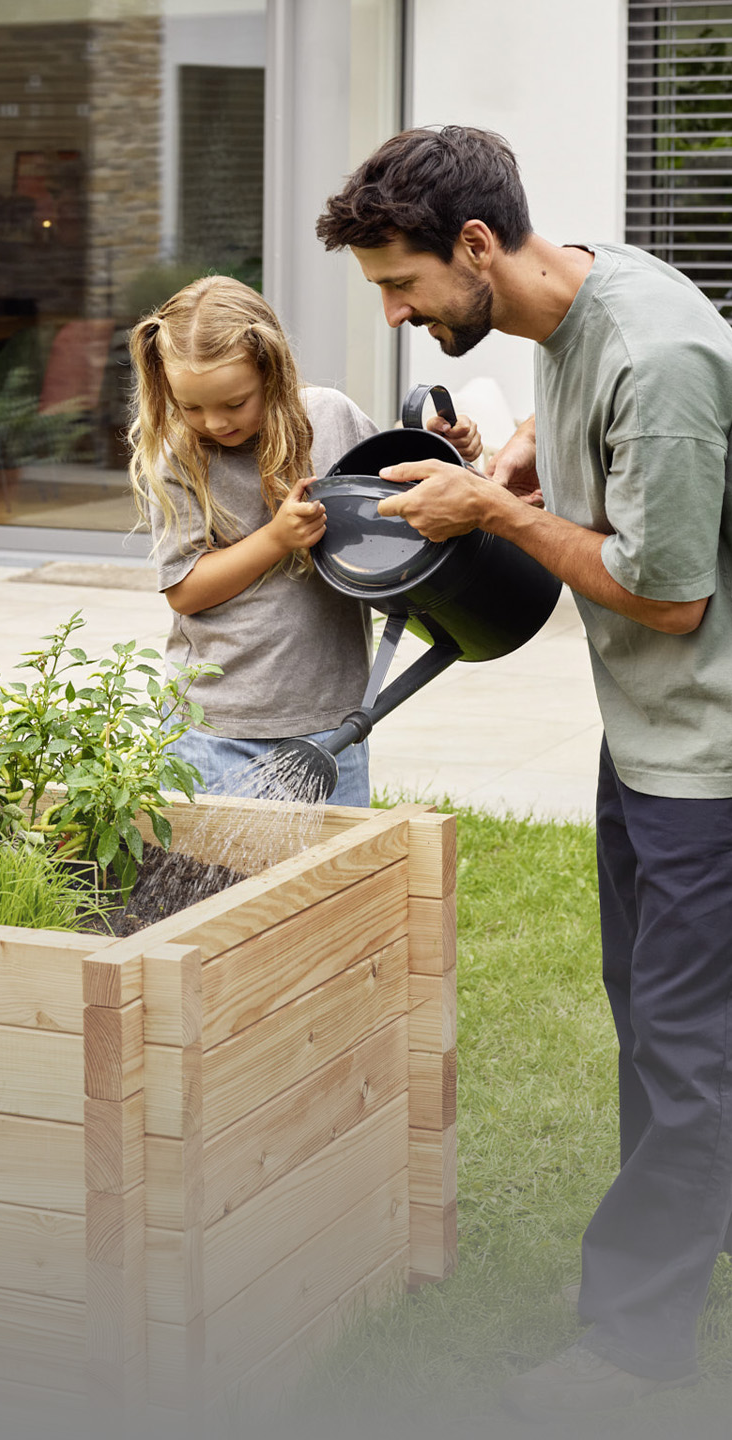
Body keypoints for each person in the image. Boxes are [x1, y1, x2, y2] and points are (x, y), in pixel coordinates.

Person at [316, 125, 732, 1418]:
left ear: (478, 246)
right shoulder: (568, 315)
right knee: (659, 1029)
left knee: (684, 1054)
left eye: (402, 285)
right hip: (653, 741)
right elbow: (607, 464)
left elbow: (667, 597)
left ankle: (632, 1343)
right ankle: (656, 1268)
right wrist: (520, 465)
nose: (394, 311)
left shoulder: (654, 351)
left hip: (706, 755)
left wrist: (495, 514)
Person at [127, 273, 482, 806]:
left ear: (270, 370)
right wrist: (276, 538)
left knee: (333, 884)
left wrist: (443, 448)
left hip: (331, 725)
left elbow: (395, 497)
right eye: (192, 407)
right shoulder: (179, 459)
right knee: (220, 889)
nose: (215, 421)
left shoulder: (330, 416)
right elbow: (186, 591)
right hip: (216, 730)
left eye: (234, 402)